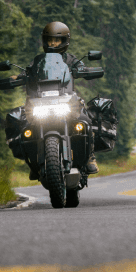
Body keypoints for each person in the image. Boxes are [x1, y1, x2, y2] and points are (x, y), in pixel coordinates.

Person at [38, 21, 99, 175]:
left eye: (56, 40)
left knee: (85, 120)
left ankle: (90, 157)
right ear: (45, 41)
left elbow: (80, 67)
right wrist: (18, 77)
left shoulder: (71, 59)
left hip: (66, 99)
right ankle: (34, 159)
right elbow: (29, 72)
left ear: (64, 41)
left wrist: (84, 70)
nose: (53, 43)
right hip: (42, 101)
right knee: (25, 124)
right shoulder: (39, 61)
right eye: (50, 40)